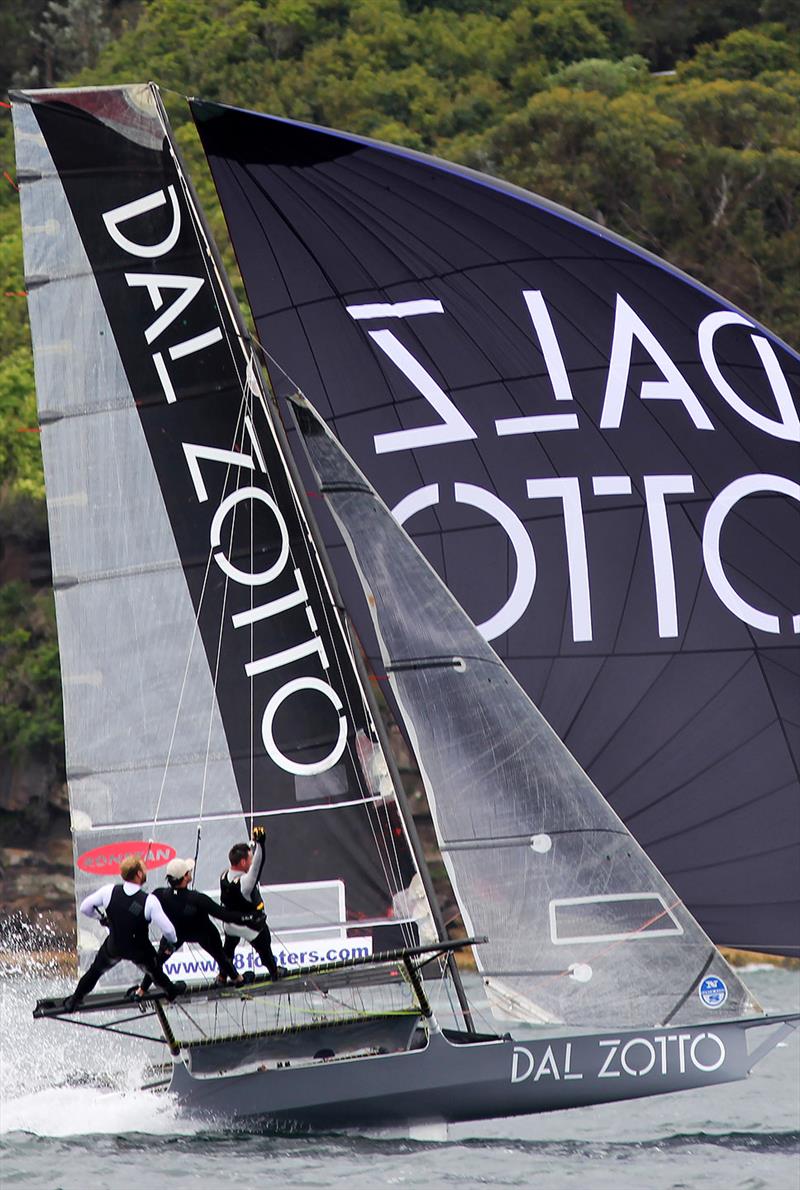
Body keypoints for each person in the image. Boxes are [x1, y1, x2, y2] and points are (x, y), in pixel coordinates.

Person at [62, 853, 185, 1010]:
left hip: (115, 946)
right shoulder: (149, 900)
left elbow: (85, 907)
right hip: (139, 950)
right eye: (144, 870)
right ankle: (171, 991)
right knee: (154, 971)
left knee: (95, 971)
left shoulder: (109, 891)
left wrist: (101, 917)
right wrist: (171, 943)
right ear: (139, 874)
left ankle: (75, 1000)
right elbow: (169, 930)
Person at [136, 857, 262, 993]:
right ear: (185, 877)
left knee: (157, 962)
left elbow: (142, 906)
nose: (190, 872)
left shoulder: (159, 894)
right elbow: (225, 915)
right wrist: (250, 917)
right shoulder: (197, 899)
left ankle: (141, 990)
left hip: (175, 935)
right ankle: (237, 979)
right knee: (220, 956)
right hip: (204, 934)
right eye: (188, 872)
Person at [220, 825, 283, 980]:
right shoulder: (246, 882)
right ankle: (274, 972)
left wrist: (253, 844)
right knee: (264, 948)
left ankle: (222, 976)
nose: (251, 860)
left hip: (230, 925)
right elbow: (257, 865)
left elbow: (251, 862)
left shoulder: (224, 876)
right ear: (242, 862)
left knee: (228, 950)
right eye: (249, 858)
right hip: (250, 927)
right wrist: (261, 843)